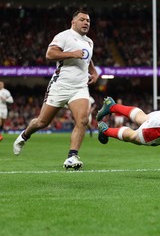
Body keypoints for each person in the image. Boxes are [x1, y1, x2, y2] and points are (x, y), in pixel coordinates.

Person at [13, 9, 99, 170]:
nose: (86, 22)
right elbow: (50, 54)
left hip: (79, 87)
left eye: (88, 20)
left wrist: (93, 71)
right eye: (82, 20)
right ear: (73, 22)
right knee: (42, 122)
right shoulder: (63, 36)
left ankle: (72, 156)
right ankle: (24, 135)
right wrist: (72, 53)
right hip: (60, 86)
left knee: (83, 120)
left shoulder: (89, 41)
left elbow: (88, 57)